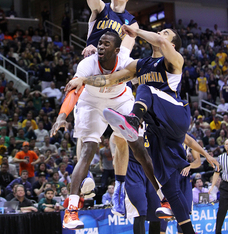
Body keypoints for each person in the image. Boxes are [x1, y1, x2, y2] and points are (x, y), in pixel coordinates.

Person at [66, 25, 217, 234]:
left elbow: (162, 43)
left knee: (144, 88)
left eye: (165, 33)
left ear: (172, 45)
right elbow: (110, 79)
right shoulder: (140, 65)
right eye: (160, 32)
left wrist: (136, 33)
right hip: (159, 131)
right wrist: (84, 80)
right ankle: (184, 225)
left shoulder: (174, 60)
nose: (160, 35)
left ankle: (133, 121)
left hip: (176, 114)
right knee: (167, 185)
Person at [51, 31, 161, 230]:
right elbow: (73, 91)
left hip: (120, 100)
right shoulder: (87, 64)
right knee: (88, 150)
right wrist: (61, 116)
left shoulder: (127, 61)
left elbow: (142, 86)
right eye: (99, 43)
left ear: (117, 50)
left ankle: (163, 196)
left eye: (106, 44)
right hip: (90, 102)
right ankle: (71, 210)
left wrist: (146, 111)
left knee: (137, 143)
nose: (100, 47)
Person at [209, 139, 228, 234]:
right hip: (225, 185)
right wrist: (212, 186)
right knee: (222, 210)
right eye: (226, 144)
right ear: (224, 146)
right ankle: (218, 232)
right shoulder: (221, 157)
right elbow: (217, 173)